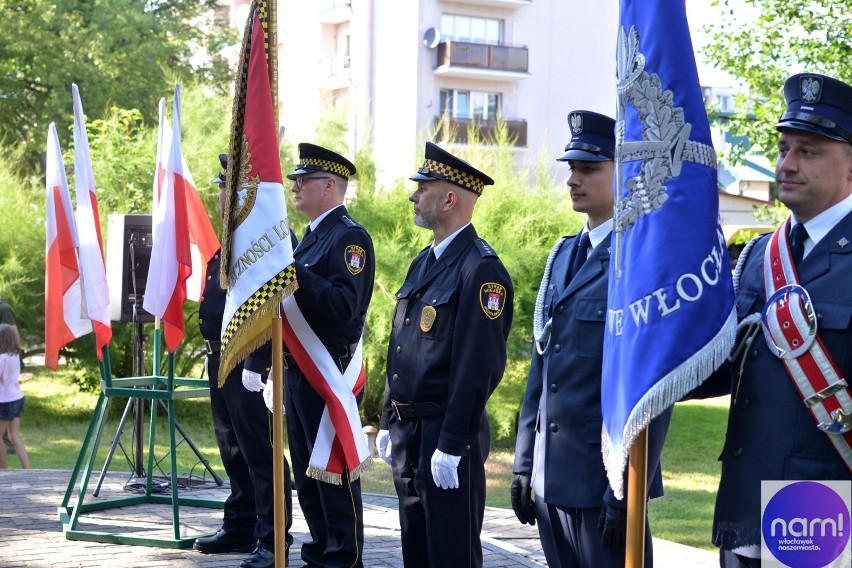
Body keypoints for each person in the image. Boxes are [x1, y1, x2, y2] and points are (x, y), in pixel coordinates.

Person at [510, 111, 669, 567]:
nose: (572, 180)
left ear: (624, 174)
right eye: (571, 169)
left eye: (589, 168)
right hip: (552, 475)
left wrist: (625, 490)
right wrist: (525, 463)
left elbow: (653, 391)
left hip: (602, 481)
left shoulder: (641, 262)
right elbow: (542, 370)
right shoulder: (563, 255)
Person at [708, 73, 852, 567]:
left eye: (808, 152)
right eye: (784, 148)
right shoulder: (758, 256)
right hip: (744, 506)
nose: (786, 164)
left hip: (821, 512)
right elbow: (727, 368)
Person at [377, 142, 514, 567]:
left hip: (445, 433)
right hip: (409, 432)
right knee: (416, 550)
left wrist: (453, 442)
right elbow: (401, 347)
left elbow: (479, 366)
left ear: (450, 198)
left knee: (451, 552)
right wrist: (386, 419)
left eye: (423, 187)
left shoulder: (481, 269)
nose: (413, 196)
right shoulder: (424, 262)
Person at [193, 153, 293, 568]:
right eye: (220, 188)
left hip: (252, 363)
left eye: (229, 190)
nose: (221, 197)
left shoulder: (263, 242)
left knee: (260, 452)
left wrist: (262, 366)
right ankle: (239, 525)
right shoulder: (228, 242)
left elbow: (278, 303)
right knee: (231, 449)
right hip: (221, 360)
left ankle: (273, 540)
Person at [280, 143, 374, 568]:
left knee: (331, 468)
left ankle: (343, 556)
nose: (295, 187)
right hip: (299, 368)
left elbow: (343, 305)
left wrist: (294, 273)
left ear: (330, 185)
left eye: (304, 180)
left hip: (327, 367)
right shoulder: (311, 238)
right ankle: (320, 550)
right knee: (306, 470)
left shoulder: (349, 237)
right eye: (295, 180)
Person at [0, 323, 28, 469]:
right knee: (13, 436)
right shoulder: (15, 356)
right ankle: (27, 470)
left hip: (5, 400)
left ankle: (2, 470)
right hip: (17, 397)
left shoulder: (2, 358)